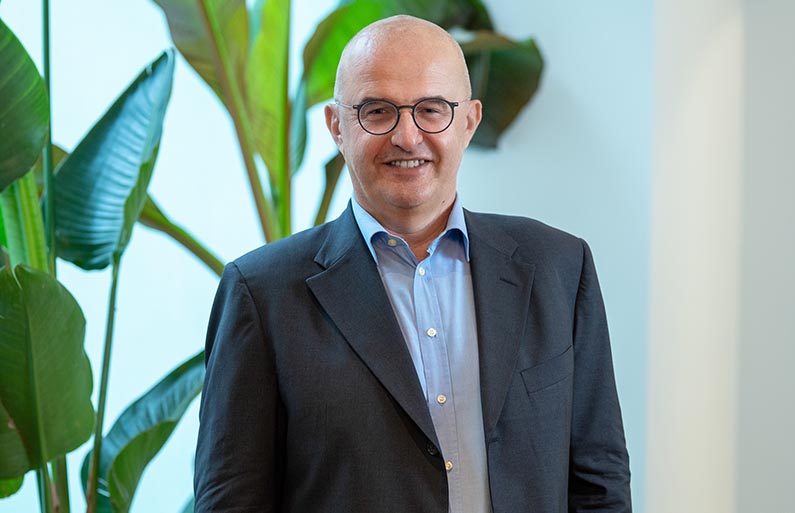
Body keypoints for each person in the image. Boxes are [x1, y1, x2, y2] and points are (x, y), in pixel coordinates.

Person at [194, 15, 631, 513]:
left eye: (432, 109)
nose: (407, 136)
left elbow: (600, 484)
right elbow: (232, 500)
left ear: (468, 121)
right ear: (337, 126)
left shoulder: (558, 267)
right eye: (377, 111)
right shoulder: (261, 293)